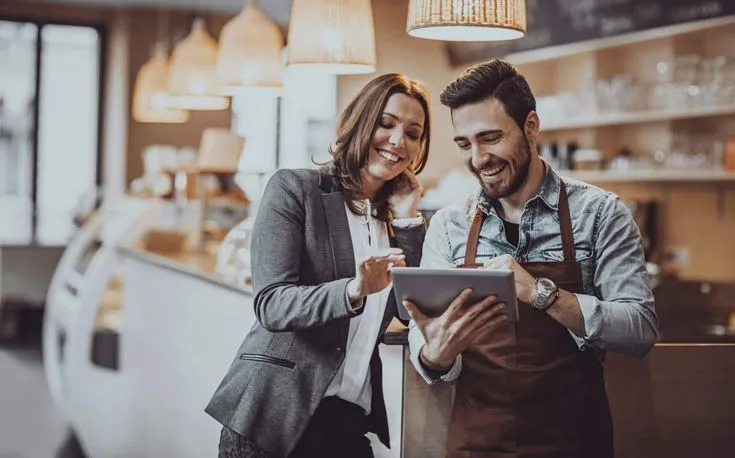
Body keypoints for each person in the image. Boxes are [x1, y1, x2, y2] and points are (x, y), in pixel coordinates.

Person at [403, 59, 659, 458]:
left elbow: (639, 330)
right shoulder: (449, 225)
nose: (478, 158)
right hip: (477, 442)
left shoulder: (600, 214)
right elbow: (427, 339)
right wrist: (432, 355)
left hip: (573, 441)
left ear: (531, 126)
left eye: (490, 138)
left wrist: (543, 294)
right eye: (465, 144)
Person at [206, 73, 432, 458]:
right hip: (273, 420)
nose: (399, 141)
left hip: (347, 423)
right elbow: (272, 304)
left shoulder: (396, 219)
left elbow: (413, 312)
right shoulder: (295, 190)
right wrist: (352, 290)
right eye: (387, 123)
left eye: (413, 133)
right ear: (360, 121)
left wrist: (408, 219)